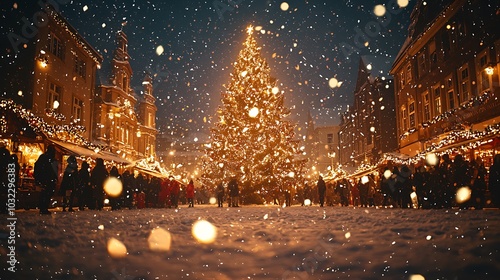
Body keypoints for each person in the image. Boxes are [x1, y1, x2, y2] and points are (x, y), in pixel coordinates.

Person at [34, 145, 58, 214]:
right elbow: (54, 170)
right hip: (47, 179)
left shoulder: (45, 158)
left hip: (46, 179)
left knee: (45, 194)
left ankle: (43, 207)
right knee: (46, 194)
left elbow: (38, 167)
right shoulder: (49, 159)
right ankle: (43, 208)